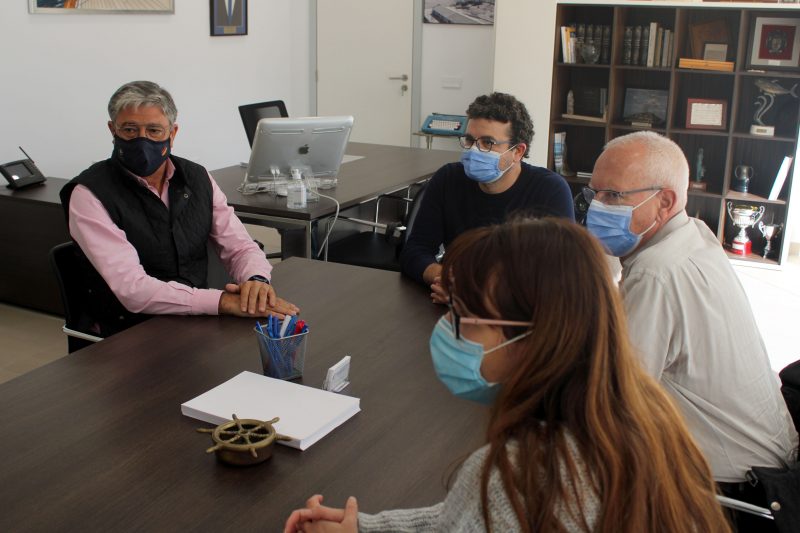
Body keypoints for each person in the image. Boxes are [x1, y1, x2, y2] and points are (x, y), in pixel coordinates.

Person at [284, 218, 731, 533]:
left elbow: (488, 511)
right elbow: (462, 520)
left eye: (464, 316)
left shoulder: (523, 475)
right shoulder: (645, 416)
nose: (449, 328)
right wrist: (365, 529)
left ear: (533, 337)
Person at [582, 131, 797, 521]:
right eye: (593, 193)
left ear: (664, 201)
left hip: (730, 493)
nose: (596, 207)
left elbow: (614, 398)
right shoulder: (693, 234)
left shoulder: (656, 273)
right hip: (772, 457)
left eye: (613, 195)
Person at [60, 81, 298, 337]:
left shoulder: (197, 177)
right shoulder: (89, 194)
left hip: (194, 321)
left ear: (172, 133)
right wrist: (222, 302)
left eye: (154, 130)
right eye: (129, 130)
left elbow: (239, 246)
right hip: (126, 332)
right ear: (112, 130)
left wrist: (256, 281)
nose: (142, 140)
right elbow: (133, 290)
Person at [400, 92, 574, 304]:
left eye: (488, 143)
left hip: (518, 311)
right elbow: (415, 251)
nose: (475, 150)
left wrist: (473, 292)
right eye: (470, 140)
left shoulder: (550, 190)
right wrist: (445, 278)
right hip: (452, 307)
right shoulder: (448, 178)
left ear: (518, 152)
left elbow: (559, 273)